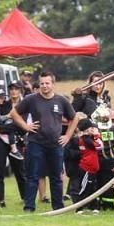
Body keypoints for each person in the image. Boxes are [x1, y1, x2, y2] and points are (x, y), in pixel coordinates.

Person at [11, 71, 77, 212]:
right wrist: (25, 126)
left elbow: (74, 118)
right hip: (36, 143)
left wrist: (67, 136)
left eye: (47, 83)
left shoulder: (61, 100)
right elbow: (14, 113)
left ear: (53, 84)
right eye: (42, 83)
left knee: (56, 177)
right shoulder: (31, 99)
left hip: (56, 144)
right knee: (33, 175)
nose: (44, 86)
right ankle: (29, 207)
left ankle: (58, 207)